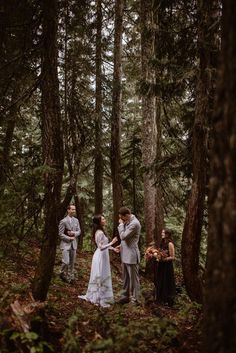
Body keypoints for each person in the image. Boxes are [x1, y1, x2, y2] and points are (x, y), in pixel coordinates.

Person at [78, 215, 118, 308]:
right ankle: (98, 297)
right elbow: (100, 247)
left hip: (104, 255)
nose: (105, 220)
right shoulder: (99, 232)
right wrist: (112, 243)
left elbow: (105, 245)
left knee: (104, 274)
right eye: (103, 219)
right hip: (100, 256)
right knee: (100, 275)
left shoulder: (101, 231)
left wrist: (113, 248)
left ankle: (104, 296)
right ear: (99, 222)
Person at [116, 206, 141, 305]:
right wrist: (120, 246)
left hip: (131, 255)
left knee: (134, 279)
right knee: (125, 278)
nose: (121, 220)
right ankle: (125, 297)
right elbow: (125, 240)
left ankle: (136, 299)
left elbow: (123, 236)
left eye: (122, 218)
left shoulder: (135, 223)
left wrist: (121, 225)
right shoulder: (128, 220)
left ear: (126, 215)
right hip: (124, 253)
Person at [59, 204, 81, 283]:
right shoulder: (63, 221)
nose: (74, 211)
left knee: (72, 263)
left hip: (74, 244)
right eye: (72, 209)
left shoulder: (76, 220)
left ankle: (70, 277)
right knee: (66, 261)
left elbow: (79, 231)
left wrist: (74, 233)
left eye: (74, 210)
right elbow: (60, 234)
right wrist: (69, 238)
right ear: (68, 210)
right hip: (65, 244)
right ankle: (61, 273)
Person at [154, 228, 176, 306]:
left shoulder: (170, 244)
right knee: (160, 281)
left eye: (163, 233)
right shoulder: (162, 242)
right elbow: (159, 252)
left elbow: (173, 257)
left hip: (167, 266)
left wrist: (164, 259)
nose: (161, 234)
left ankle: (168, 300)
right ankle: (160, 299)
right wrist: (157, 256)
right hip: (161, 266)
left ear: (167, 234)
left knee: (166, 281)